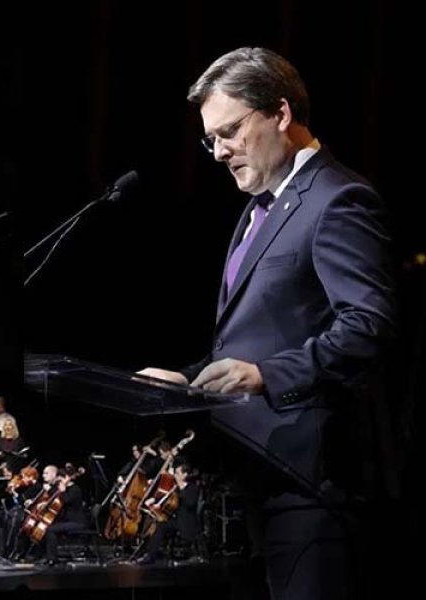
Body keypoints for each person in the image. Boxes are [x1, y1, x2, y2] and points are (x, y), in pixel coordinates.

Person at [138, 47, 395, 600]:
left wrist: (265, 375)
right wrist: (187, 380)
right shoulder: (260, 207)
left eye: (228, 131)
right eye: (210, 139)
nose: (218, 151)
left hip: (309, 487)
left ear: (279, 113)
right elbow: (253, 339)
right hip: (252, 481)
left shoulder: (337, 199)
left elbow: (369, 325)